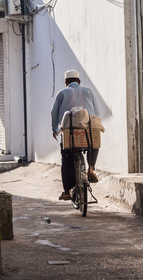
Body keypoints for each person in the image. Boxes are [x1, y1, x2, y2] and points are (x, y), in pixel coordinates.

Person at [51, 69, 100, 200]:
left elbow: (53, 113)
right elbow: (97, 112)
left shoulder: (62, 93)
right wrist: (95, 126)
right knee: (94, 144)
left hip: (69, 132)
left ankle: (67, 191)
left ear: (66, 82)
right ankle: (91, 168)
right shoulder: (89, 91)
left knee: (66, 159)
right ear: (79, 81)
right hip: (87, 129)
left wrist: (55, 129)